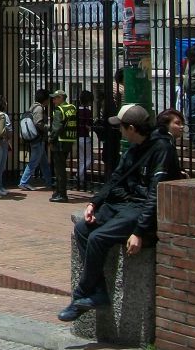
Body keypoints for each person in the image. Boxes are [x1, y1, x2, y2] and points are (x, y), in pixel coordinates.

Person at [58, 105, 181, 321]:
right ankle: (97, 292)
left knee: (98, 238)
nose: (119, 131)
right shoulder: (133, 148)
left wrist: (139, 231)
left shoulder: (161, 149)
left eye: (121, 127)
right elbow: (116, 178)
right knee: (82, 229)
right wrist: (94, 203)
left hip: (141, 209)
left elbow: (155, 194)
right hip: (123, 203)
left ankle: (80, 296)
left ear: (132, 128)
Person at [19, 88, 53, 190]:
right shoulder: (39, 108)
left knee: (44, 162)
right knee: (34, 161)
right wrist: (48, 127)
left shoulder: (32, 107)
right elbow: (38, 123)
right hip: (37, 139)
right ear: (45, 99)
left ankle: (49, 181)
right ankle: (24, 182)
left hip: (36, 139)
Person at [49, 89, 77, 203]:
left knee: (59, 169)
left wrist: (50, 139)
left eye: (55, 98)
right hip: (69, 139)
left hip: (60, 141)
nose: (54, 100)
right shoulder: (72, 108)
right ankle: (59, 191)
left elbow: (56, 128)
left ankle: (62, 194)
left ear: (61, 98)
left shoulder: (59, 110)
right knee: (61, 167)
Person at [76, 90, 95, 187]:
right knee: (90, 159)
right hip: (85, 137)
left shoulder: (76, 110)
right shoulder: (88, 111)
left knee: (82, 159)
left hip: (77, 137)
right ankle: (79, 175)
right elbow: (89, 126)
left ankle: (81, 180)